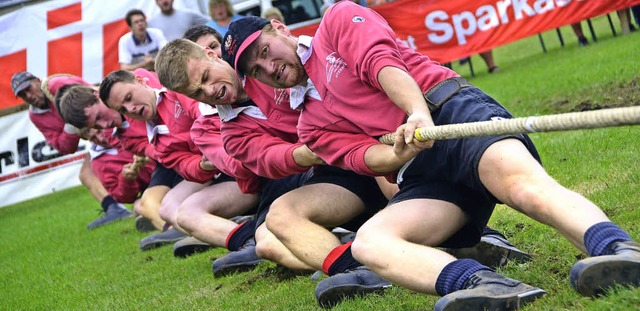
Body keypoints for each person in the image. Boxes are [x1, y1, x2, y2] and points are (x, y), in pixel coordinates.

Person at [227, 4, 640, 310]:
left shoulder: (335, 22)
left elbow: (380, 61)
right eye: (255, 69)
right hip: (418, 169)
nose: (268, 67)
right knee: (371, 243)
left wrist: (417, 112)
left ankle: (621, 251)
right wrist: (394, 155)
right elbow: (363, 158)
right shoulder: (309, 125)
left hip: (452, 114)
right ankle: (486, 287)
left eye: (264, 51)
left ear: (278, 29)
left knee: (522, 187)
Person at [10, 71, 133, 229]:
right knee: (86, 174)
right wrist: (71, 126)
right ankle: (114, 207)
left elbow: (93, 99)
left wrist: (85, 127)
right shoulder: (35, 116)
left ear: (37, 81)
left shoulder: (57, 85)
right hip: (97, 139)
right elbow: (64, 147)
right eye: (22, 94)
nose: (29, 95)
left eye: (29, 88)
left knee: (131, 154)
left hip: (112, 125)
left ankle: (151, 189)